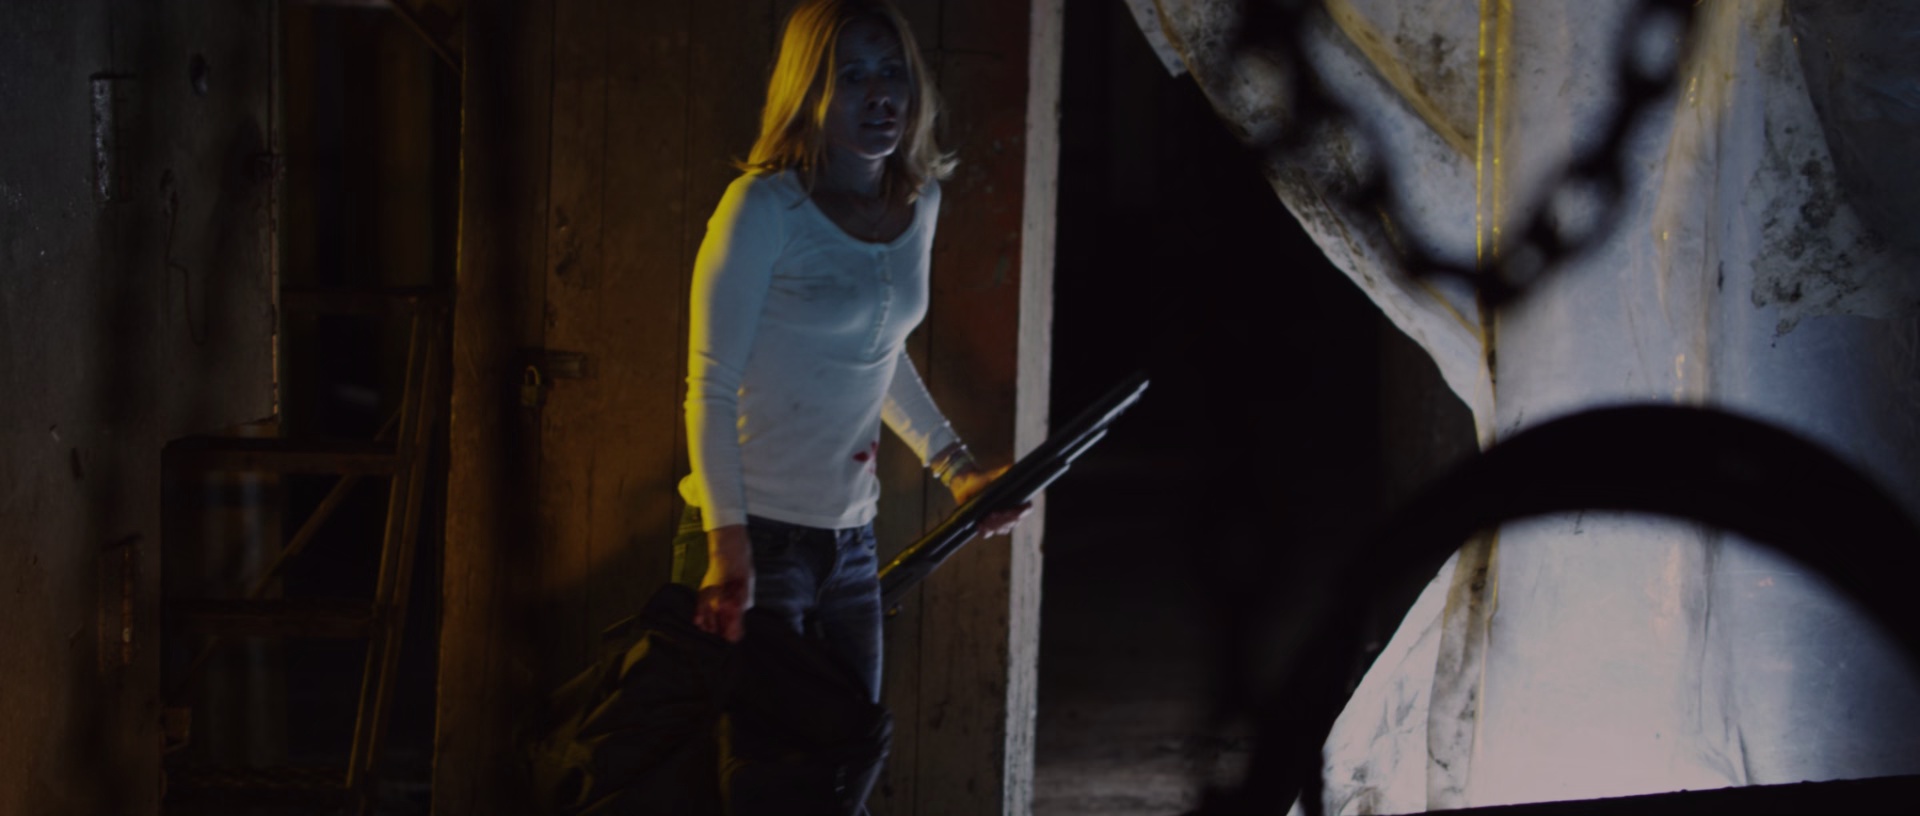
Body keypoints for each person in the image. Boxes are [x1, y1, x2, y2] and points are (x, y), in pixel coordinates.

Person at [678, 0, 1029, 707]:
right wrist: (727, 542)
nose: (879, 94)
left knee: (852, 753)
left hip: (851, 541)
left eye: (891, 71)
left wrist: (957, 469)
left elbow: (879, 352)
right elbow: (709, 386)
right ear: (809, 91)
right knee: (767, 761)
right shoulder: (764, 208)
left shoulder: (920, 204)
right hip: (755, 535)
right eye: (851, 75)